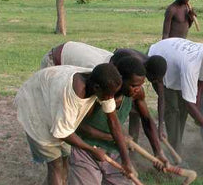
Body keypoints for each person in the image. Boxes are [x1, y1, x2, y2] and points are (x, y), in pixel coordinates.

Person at [14, 63, 132, 185]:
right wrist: (91, 150)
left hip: (51, 103)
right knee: (56, 165)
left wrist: (126, 160)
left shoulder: (101, 85)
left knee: (65, 159)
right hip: (35, 107)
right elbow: (62, 133)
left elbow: (113, 123)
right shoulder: (71, 94)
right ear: (96, 88)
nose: (110, 99)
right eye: (108, 95)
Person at [68, 57, 168, 185]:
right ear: (120, 80)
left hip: (111, 152)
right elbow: (79, 127)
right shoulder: (99, 94)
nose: (137, 89)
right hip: (87, 150)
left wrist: (158, 152)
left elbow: (147, 120)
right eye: (134, 85)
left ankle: (88, 184)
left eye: (141, 85)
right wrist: (111, 137)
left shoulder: (136, 94)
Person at [40, 42, 168, 142]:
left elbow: (141, 110)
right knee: (61, 120)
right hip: (55, 60)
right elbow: (82, 120)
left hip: (72, 53)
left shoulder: (130, 69)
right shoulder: (98, 76)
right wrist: (112, 136)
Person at [148, 38, 203, 151]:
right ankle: (175, 151)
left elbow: (200, 83)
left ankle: (177, 142)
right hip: (158, 58)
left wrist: (197, 110)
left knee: (183, 108)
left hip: (176, 65)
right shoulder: (191, 65)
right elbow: (189, 103)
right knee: (172, 109)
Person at [110, 48, 168, 141]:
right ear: (146, 71)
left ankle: (133, 142)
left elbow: (161, 97)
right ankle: (121, 140)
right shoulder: (134, 65)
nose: (156, 82)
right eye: (153, 79)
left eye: (158, 80)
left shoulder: (156, 69)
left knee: (137, 109)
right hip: (114, 62)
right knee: (128, 106)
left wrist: (160, 125)